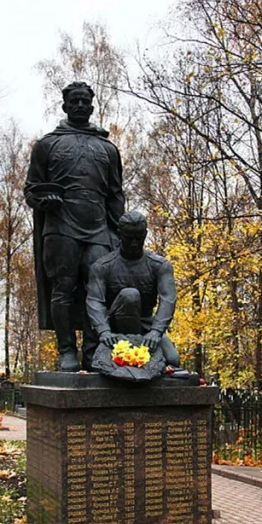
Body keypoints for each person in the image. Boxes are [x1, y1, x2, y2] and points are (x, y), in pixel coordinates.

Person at [24, 81, 125, 371]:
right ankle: (66, 350)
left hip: (98, 228)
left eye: (84, 102)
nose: (80, 106)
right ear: (65, 106)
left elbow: (115, 194)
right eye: (74, 101)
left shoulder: (108, 148)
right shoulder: (47, 145)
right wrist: (45, 200)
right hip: (61, 227)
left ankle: (92, 352)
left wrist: (119, 231)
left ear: (92, 107)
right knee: (63, 288)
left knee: (98, 290)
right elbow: (31, 190)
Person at [87, 210, 181, 368]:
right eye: (129, 238)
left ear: (145, 235)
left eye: (139, 238)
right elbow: (95, 300)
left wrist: (156, 331)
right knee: (130, 295)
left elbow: (168, 300)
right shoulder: (103, 266)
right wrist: (104, 331)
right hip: (113, 326)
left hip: (146, 325)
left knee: (173, 360)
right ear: (120, 235)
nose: (134, 243)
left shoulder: (159, 265)